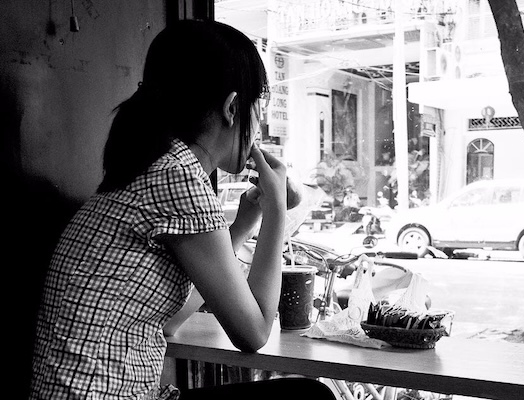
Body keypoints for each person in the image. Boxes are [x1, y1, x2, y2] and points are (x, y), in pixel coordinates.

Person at [28, 20, 334, 400]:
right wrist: (276, 212)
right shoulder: (181, 177)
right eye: (260, 107)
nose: (260, 126)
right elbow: (254, 333)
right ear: (233, 107)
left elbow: (170, 321)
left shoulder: (152, 164)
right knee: (307, 397)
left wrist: (244, 224)